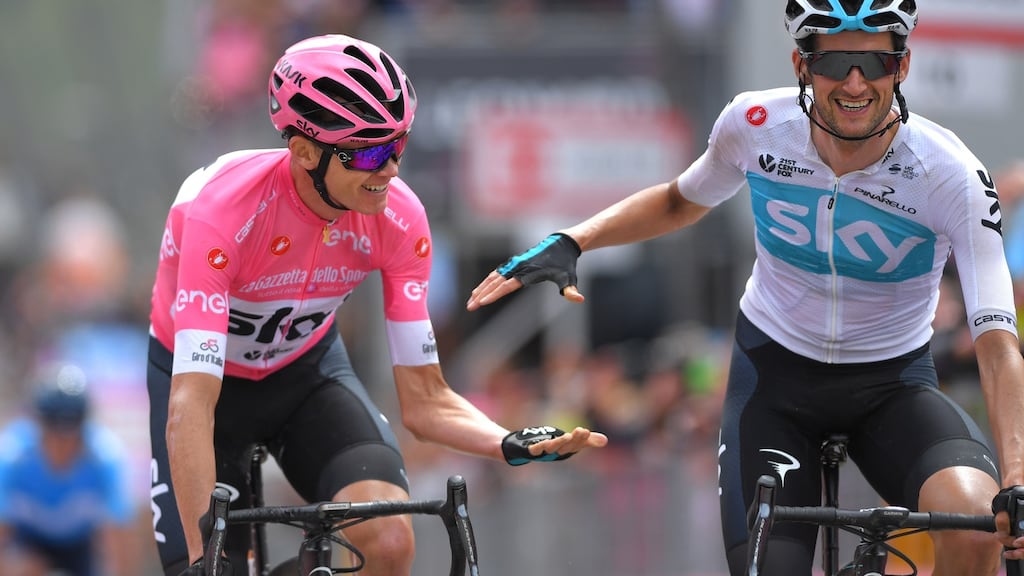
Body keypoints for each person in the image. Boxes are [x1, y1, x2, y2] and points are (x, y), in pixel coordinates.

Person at [466, 1, 1024, 574]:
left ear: (901, 68)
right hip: (775, 382)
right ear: (801, 65)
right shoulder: (755, 125)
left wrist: (1017, 476)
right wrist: (574, 239)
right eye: (834, 62)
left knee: (975, 526)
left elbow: (997, 339)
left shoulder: (949, 173)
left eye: (875, 62)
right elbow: (679, 200)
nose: (855, 83)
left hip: (893, 385)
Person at [147, 33, 607, 576]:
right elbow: (192, 404)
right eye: (369, 151)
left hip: (305, 378)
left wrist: (506, 441)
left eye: (399, 145)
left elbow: (424, 400)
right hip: (207, 395)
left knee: (388, 541)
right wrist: (205, 557)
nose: (390, 168)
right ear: (305, 152)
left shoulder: (399, 218)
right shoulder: (221, 213)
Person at [0, 364, 136, 576]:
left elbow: (119, 539)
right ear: (38, 424)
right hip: (26, 544)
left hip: (79, 548)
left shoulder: (104, 458)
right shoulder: (11, 457)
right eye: (53, 429)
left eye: (70, 431)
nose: (62, 443)